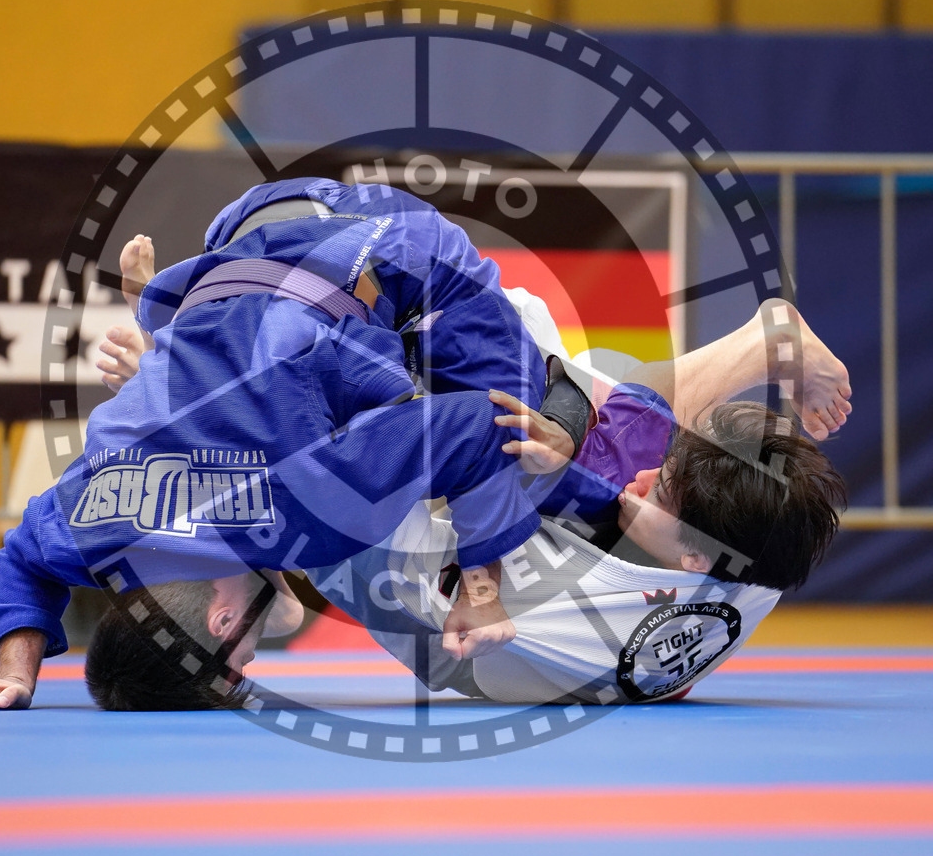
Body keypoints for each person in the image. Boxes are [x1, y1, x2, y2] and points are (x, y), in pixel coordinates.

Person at [0, 178, 564, 713]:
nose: (251, 664)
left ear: (221, 624)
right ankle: (158, 324)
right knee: (246, 385)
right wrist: (16, 673)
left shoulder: (305, 497)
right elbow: (21, 558)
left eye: (236, 667)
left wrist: (482, 597)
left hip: (382, 239)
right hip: (231, 240)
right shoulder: (94, 524)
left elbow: (484, 427)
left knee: (525, 419)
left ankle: (549, 376)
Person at [79, 292, 849, 709]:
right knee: (613, 443)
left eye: (238, 659)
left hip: (503, 563)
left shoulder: (366, 533)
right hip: (549, 564)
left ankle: (754, 344)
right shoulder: (751, 565)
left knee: (587, 439)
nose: (251, 663)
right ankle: (753, 344)